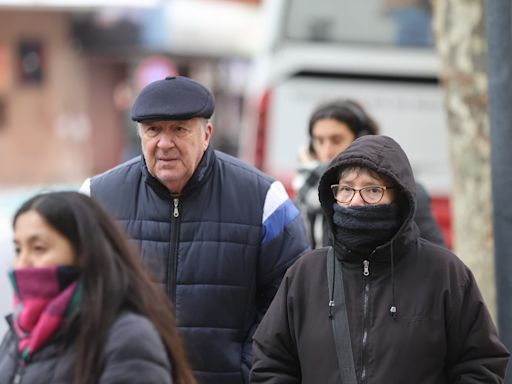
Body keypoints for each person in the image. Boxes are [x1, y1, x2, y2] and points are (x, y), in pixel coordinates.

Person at [80, 75, 309, 384]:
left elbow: (290, 296)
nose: (164, 143)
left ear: (206, 134)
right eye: (153, 130)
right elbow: (75, 295)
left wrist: (246, 368)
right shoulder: (95, 198)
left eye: (179, 129)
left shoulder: (265, 199)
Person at [251, 135, 510, 383]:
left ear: (399, 196)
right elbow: (271, 362)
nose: (356, 202)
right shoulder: (306, 274)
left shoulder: (445, 273)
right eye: (346, 189)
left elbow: (480, 363)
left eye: (372, 190)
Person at [0, 191, 196, 384]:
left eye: (38, 248)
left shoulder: (127, 337)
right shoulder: (20, 332)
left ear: (83, 252)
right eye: (18, 249)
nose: (22, 263)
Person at [293, 99, 446, 248]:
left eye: (336, 140)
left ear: (361, 138)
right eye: (319, 141)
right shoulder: (304, 192)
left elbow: (432, 258)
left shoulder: (406, 193)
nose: (326, 151)